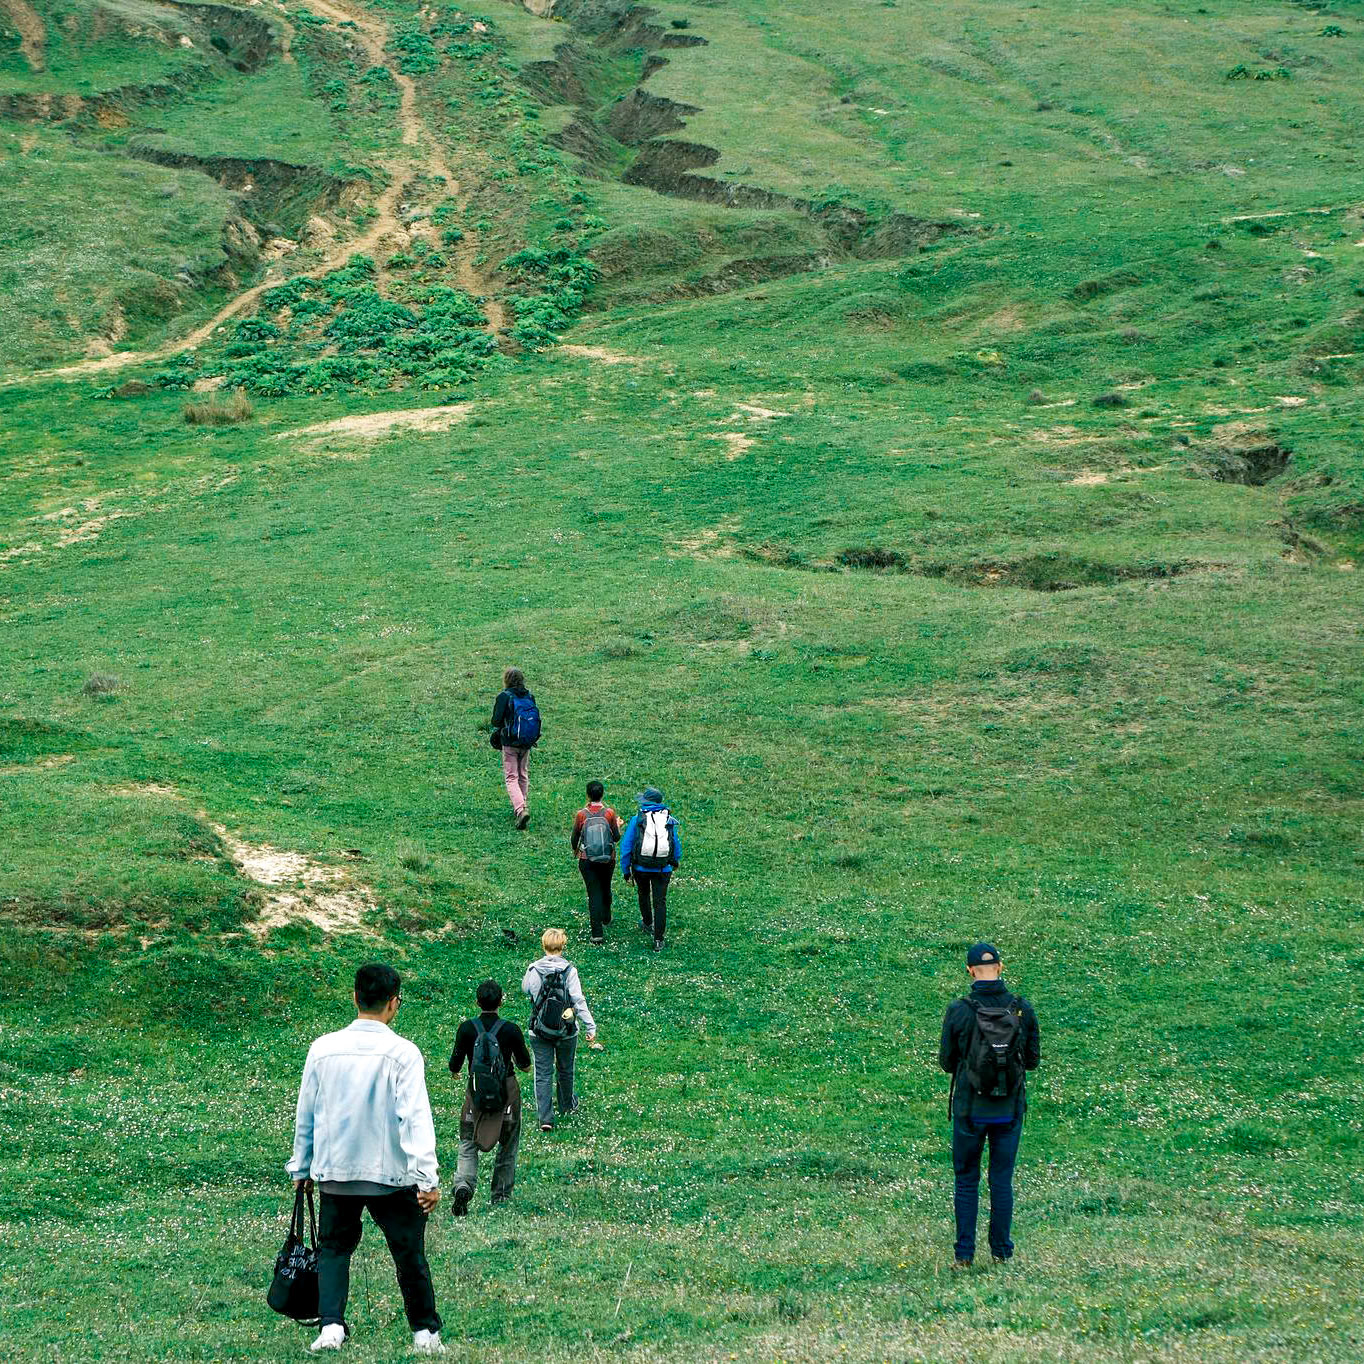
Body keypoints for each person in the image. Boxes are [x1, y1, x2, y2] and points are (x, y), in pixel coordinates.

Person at [287, 963, 446, 1355]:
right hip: (391, 1172)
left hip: (336, 1170)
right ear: (394, 1004)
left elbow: (306, 1113)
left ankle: (331, 1327)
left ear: (354, 997)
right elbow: (414, 1117)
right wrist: (427, 1177)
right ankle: (424, 1332)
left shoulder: (322, 1049)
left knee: (333, 1250)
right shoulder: (403, 1053)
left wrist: (302, 1166)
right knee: (409, 1253)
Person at [938, 942, 1041, 1270]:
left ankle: (964, 1256)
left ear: (970, 971)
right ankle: (1001, 1252)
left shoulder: (959, 1010)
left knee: (967, 1179)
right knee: (1001, 1179)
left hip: (970, 1108)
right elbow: (1033, 1062)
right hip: (1009, 1108)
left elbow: (946, 1062)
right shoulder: (1022, 1008)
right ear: (1001, 967)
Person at [447, 979, 532, 1214]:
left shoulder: (466, 1029)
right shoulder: (511, 1029)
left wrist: (458, 1071)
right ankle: (500, 1195)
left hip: (475, 1094)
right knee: (508, 1145)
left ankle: (463, 1185)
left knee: (467, 1142)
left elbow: (454, 1064)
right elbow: (525, 1065)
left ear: (477, 1002)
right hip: (507, 1094)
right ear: (501, 1001)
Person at [521, 928, 603, 1132]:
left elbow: (525, 989)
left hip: (539, 1030)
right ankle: (567, 1105)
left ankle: (545, 1117)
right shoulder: (570, 971)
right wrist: (590, 1025)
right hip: (566, 1029)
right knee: (565, 1069)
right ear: (563, 946)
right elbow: (578, 999)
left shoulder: (533, 969)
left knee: (543, 1072)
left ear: (544, 946)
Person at [619, 787, 680, 953]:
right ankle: (659, 939)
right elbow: (675, 843)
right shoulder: (668, 819)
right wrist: (674, 862)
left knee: (643, 893)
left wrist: (626, 870)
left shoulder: (637, 819)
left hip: (641, 867)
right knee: (660, 902)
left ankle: (647, 923)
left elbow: (626, 846)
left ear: (646, 802)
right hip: (663, 868)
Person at [570, 780, 622, 944]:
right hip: (608, 859)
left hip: (587, 859)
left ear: (587, 794)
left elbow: (575, 837)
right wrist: (618, 825)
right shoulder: (609, 813)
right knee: (606, 887)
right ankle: (606, 917)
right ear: (602, 794)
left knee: (594, 894)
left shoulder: (581, 815)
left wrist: (575, 850)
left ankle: (597, 933)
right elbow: (616, 837)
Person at [490, 666, 540, 830]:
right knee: (523, 774)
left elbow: (496, 721)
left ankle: (520, 809)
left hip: (510, 742)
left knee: (511, 777)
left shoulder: (504, 696)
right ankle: (521, 804)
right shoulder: (529, 696)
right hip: (526, 742)